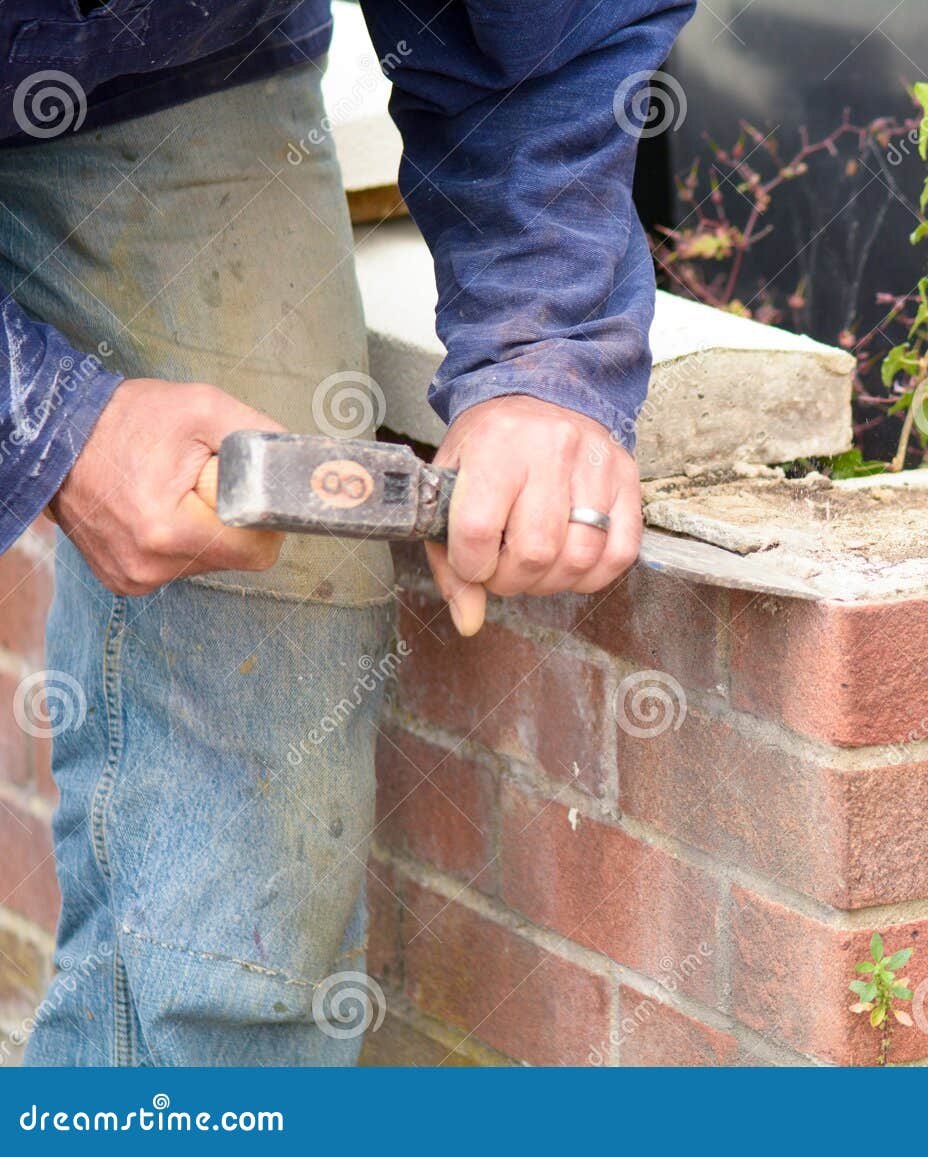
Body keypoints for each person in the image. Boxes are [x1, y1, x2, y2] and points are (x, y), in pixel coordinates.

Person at [0, 0, 694, 1066]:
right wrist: (42, 421)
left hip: (161, 64)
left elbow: (541, 39)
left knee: (263, 733)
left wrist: (541, 352)